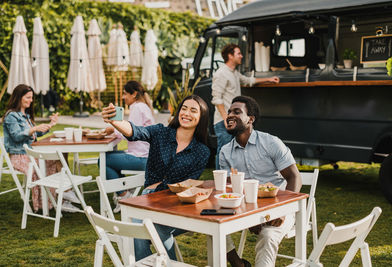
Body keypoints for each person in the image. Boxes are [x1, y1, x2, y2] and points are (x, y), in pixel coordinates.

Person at [101, 94, 210, 260]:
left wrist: (167, 188)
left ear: (201, 117)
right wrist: (115, 122)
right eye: (184, 108)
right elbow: (136, 132)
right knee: (139, 232)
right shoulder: (160, 133)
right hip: (149, 201)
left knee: (149, 229)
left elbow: (187, 186)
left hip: (177, 207)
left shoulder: (202, 152)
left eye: (193, 110)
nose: (186, 113)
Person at [219, 96, 302, 267]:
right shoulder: (225, 152)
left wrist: (283, 210)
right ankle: (238, 263)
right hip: (246, 209)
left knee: (268, 235)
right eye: (229, 112)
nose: (229, 115)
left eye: (237, 111)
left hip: (279, 206)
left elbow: (294, 177)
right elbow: (230, 189)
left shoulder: (271, 143)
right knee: (213, 223)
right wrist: (249, 218)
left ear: (250, 119)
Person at [2, 84, 79, 212]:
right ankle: (63, 195)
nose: (31, 100)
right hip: (20, 156)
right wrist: (34, 128)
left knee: (61, 154)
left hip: (30, 153)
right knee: (56, 158)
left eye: (32, 98)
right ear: (19, 97)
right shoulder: (11, 116)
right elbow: (16, 136)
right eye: (28, 97)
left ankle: (62, 195)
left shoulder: (25, 115)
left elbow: (35, 133)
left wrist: (50, 125)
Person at [212, 43, 280, 169]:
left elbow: (249, 81)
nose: (241, 56)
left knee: (232, 152)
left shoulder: (234, 73)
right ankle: (220, 183)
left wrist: (269, 79)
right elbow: (217, 99)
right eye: (238, 53)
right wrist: (226, 119)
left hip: (233, 121)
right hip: (224, 122)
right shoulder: (221, 73)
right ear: (230, 56)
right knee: (223, 152)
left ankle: (229, 182)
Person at [105, 81, 155, 212]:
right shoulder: (142, 106)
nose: (123, 97)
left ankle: (123, 195)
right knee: (108, 157)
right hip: (145, 156)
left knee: (104, 160)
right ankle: (125, 190)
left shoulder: (138, 107)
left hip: (142, 159)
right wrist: (115, 130)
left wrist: (113, 130)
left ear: (134, 94)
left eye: (125, 93)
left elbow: (131, 133)